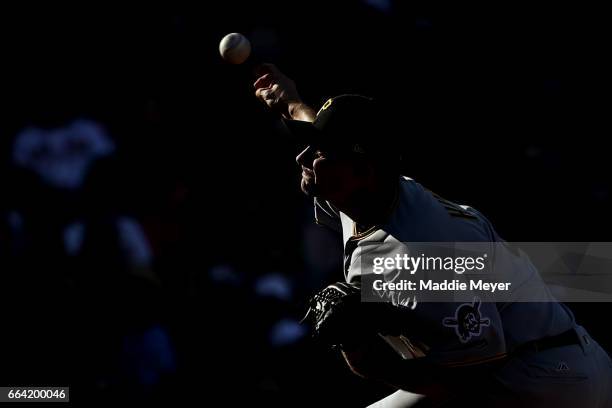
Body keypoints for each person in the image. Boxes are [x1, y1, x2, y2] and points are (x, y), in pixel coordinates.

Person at [254, 64, 612, 407]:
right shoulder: (367, 192)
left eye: (319, 152)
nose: (303, 156)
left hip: (542, 380)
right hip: (537, 358)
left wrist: (359, 350)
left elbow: (471, 375)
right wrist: (291, 101)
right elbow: (331, 138)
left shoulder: (421, 257)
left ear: (362, 171)